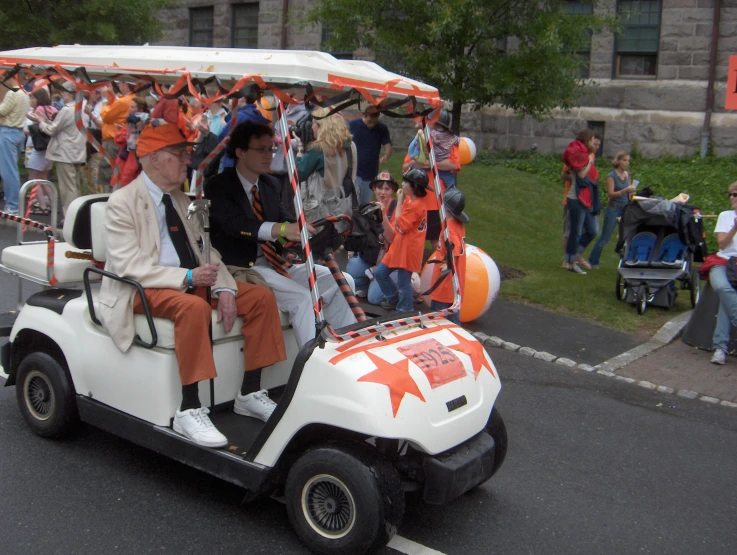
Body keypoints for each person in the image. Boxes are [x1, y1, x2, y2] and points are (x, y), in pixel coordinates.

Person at [99, 122, 287, 447]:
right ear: (155, 159)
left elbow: (207, 250)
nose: (188, 161)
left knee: (260, 298)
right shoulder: (122, 202)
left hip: (191, 281)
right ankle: (189, 408)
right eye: (180, 155)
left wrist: (225, 288)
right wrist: (187, 278)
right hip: (144, 288)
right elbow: (130, 267)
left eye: (187, 154)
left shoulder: (183, 199)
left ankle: (250, 391)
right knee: (193, 307)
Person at [205, 121, 357, 349]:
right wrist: (283, 230)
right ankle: (311, 366)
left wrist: (306, 232)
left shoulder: (269, 183)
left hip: (276, 264)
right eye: (261, 149)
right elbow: (235, 224)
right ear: (240, 152)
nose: (269, 155)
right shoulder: (219, 185)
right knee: (303, 299)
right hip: (243, 267)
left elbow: (285, 219)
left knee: (344, 280)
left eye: (271, 149)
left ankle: (343, 347)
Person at [374, 166, 428, 312]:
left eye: (406, 182)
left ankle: (405, 309)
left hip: (408, 250)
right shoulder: (411, 200)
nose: (402, 184)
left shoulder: (417, 205)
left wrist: (398, 201)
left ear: (414, 186)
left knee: (404, 283)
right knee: (380, 273)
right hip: (399, 246)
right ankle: (393, 297)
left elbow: (401, 225)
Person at [28, 81, 86, 217]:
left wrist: (40, 122)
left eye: (64, 92)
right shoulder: (81, 108)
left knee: (68, 189)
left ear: (70, 94)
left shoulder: (67, 110)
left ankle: (70, 217)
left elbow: (52, 130)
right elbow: (59, 127)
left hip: (65, 152)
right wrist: (45, 121)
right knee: (75, 185)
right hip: (77, 150)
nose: (62, 95)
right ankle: (77, 216)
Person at [294, 107, 356, 221]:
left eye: (314, 124)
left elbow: (298, 174)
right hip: (345, 205)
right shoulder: (351, 146)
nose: (311, 127)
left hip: (323, 210)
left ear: (323, 126)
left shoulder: (318, 149)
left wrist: (300, 149)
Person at [346, 171, 398, 299]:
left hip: (389, 263)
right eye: (380, 188)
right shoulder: (368, 207)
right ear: (374, 189)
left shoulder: (397, 208)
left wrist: (383, 215)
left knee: (374, 299)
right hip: (369, 259)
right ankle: (364, 283)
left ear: (392, 190)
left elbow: (392, 238)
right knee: (352, 266)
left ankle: (408, 284)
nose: (383, 192)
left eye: (387, 189)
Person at [587, 151, 636, 268]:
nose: (626, 163)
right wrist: (624, 190)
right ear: (618, 161)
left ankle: (624, 262)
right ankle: (592, 261)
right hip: (613, 209)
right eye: (624, 160)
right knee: (605, 237)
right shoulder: (611, 176)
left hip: (625, 209)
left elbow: (629, 193)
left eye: (628, 161)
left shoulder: (627, 175)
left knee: (625, 237)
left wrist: (632, 192)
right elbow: (611, 194)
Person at [561, 129, 600, 275]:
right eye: (591, 140)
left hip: (585, 200)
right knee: (575, 232)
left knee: (592, 229)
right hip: (576, 199)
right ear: (586, 140)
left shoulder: (584, 154)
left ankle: (574, 257)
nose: (593, 143)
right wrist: (590, 161)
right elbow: (582, 174)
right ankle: (570, 262)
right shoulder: (580, 155)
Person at [428, 188, 469, 326]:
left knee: (440, 324)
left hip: (444, 286)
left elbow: (453, 253)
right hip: (454, 285)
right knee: (453, 321)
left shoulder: (449, 230)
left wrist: (445, 265)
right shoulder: (458, 225)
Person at [217, 84, 271, 170]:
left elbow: (222, 139)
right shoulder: (257, 116)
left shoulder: (240, 117)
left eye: (233, 96)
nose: (230, 100)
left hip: (235, 163)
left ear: (241, 98)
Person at [92, 83, 133, 192]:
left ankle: (110, 197)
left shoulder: (123, 101)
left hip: (113, 141)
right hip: (119, 140)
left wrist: (105, 102)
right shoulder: (124, 100)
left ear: (125, 85)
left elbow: (105, 117)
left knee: (109, 172)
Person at [0, 73, 31, 215]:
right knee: (12, 169)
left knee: (8, 171)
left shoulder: (13, 93)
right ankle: (12, 203)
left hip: (8, 131)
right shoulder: (25, 93)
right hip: (18, 132)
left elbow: (2, 111)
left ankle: (12, 205)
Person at [348, 107, 392, 205]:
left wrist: (386, 156)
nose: (372, 125)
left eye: (374, 122)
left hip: (370, 173)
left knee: (365, 204)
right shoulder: (353, 125)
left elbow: (388, 145)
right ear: (364, 115)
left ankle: (362, 220)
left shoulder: (382, 128)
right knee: (353, 203)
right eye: (369, 122)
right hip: (355, 171)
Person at [25, 88, 57, 215]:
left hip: (39, 147)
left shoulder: (38, 110)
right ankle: (52, 203)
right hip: (49, 147)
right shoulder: (53, 109)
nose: (31, 100)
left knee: (33, 177)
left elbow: (37, 125)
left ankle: (42, 205)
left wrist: (28, 116)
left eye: (32, 98)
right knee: (44, 177)